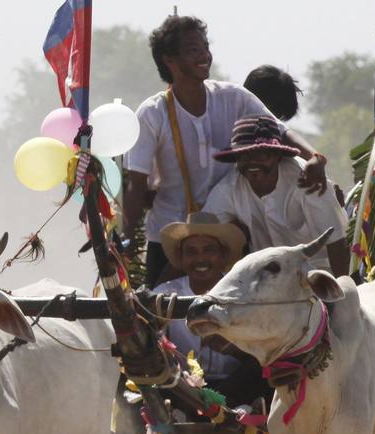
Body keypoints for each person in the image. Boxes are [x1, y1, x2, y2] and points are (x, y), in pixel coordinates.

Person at [123, 15, 329, 286]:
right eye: (193, 50)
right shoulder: (151, 114)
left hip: (229, 236)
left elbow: (280, 131)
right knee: (157, 313)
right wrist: (123, 241)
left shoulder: (233, 97)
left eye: (205, 47)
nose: (204, 55)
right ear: (169, 60)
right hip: (170, 238)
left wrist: (314, 158)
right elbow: (136, 184)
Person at [203, 116, 350, 275]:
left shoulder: (309, 180)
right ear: (236, 160)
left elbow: (337, 243)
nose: (252, 162)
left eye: (261, 155)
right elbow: (202, 237)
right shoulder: (228, 189)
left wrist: (344, 293)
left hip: (319, 273)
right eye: (244, 156)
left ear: (277, 156)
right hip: (266, 280)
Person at [154, 212, 269, 407]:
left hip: (239, 387)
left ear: (223, 255)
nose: (201, 259)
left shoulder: (247, 294)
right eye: (191, 251)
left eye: (209, 250)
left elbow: (266, 353)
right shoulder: (165, 294)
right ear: (181, 258)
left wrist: (233, 349)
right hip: (182, 389)